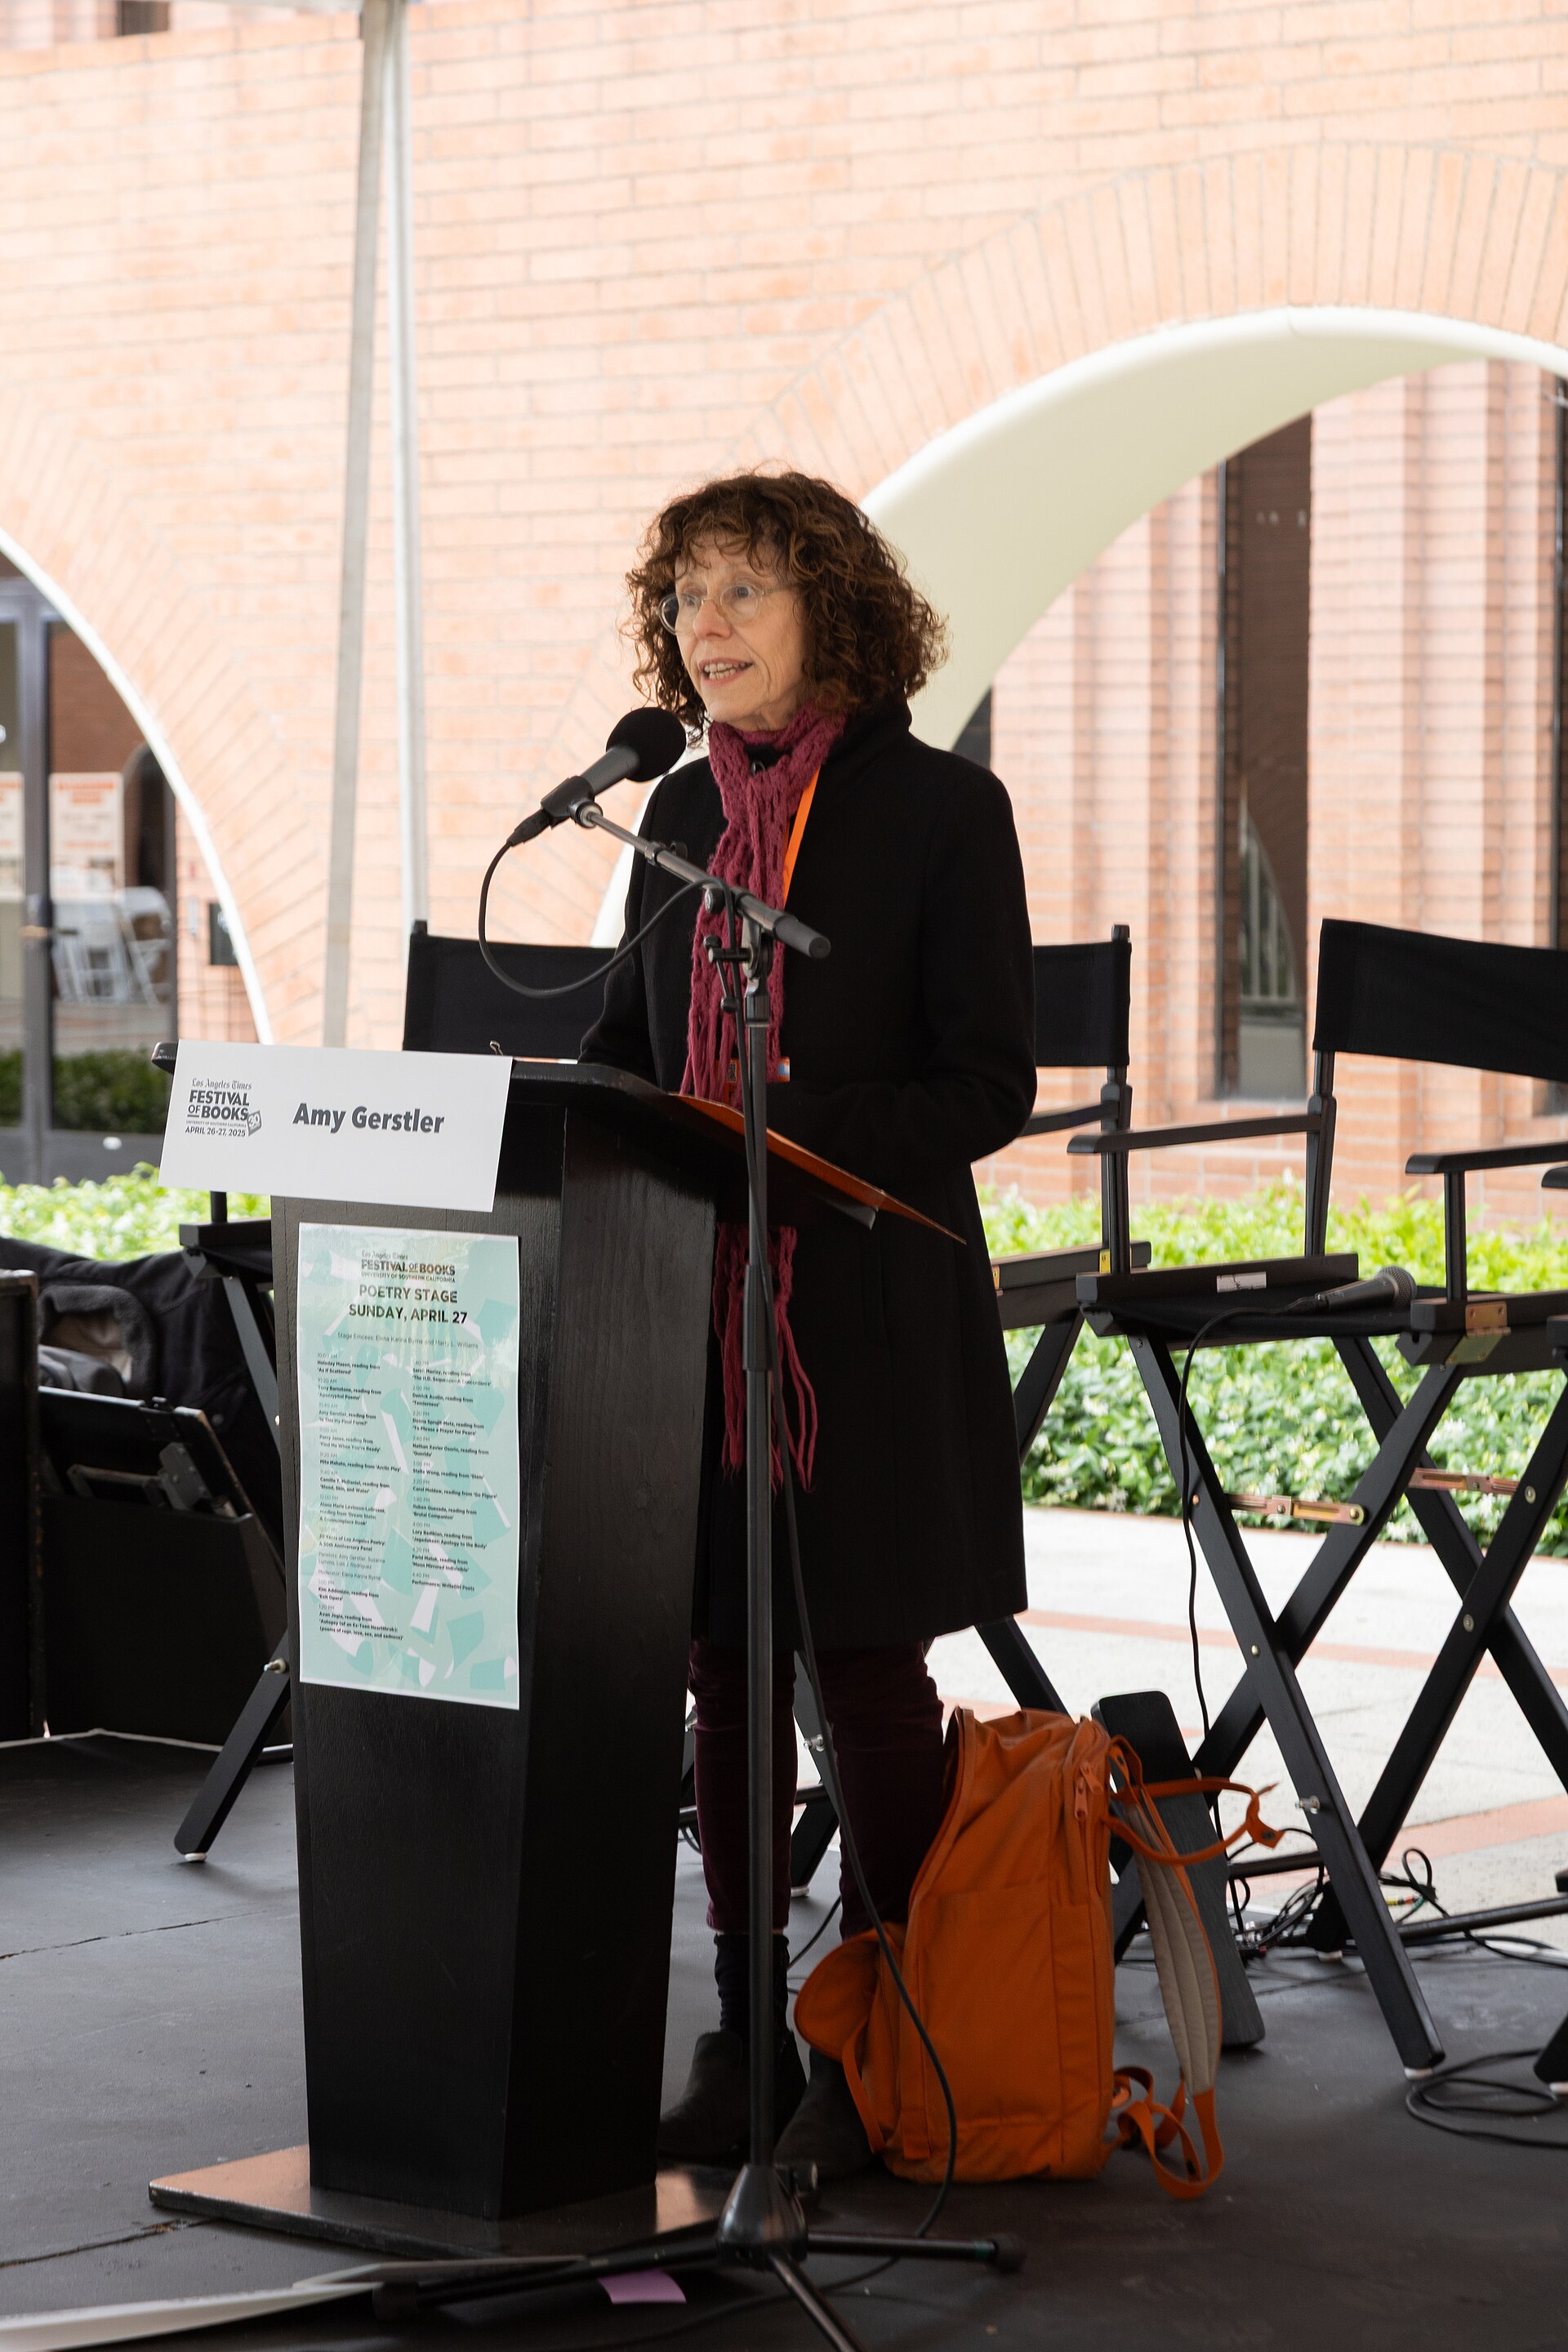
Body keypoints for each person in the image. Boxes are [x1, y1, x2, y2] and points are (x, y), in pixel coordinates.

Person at [580, 469, 1035, 2179]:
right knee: (718, 1661)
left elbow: (986, 1082)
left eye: (743, 591)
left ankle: (895, 2031)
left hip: (864, 1313)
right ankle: (746, 2031)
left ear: (829, 608)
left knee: (859, 1665)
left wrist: (790, 1126)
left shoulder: (941, 810)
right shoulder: (677, 812)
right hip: (685, 1315)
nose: (706, 627)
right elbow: (627, 1052)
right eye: (686, 597)